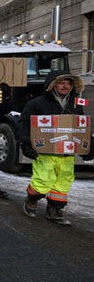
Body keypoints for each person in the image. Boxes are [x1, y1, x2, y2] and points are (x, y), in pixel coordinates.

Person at [17, 70, 94, 225]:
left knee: (63, 182)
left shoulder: (75, 104)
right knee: (42, 181)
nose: (65, 86)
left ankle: (54, 208)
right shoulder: (37, 104)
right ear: (53, 84)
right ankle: (32, 199)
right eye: (61, 82)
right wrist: (25, 143)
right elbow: (24, 124)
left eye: (68, 83)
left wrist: (89, 146)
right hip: (45, 152)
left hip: (67, 153)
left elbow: (81, 127)